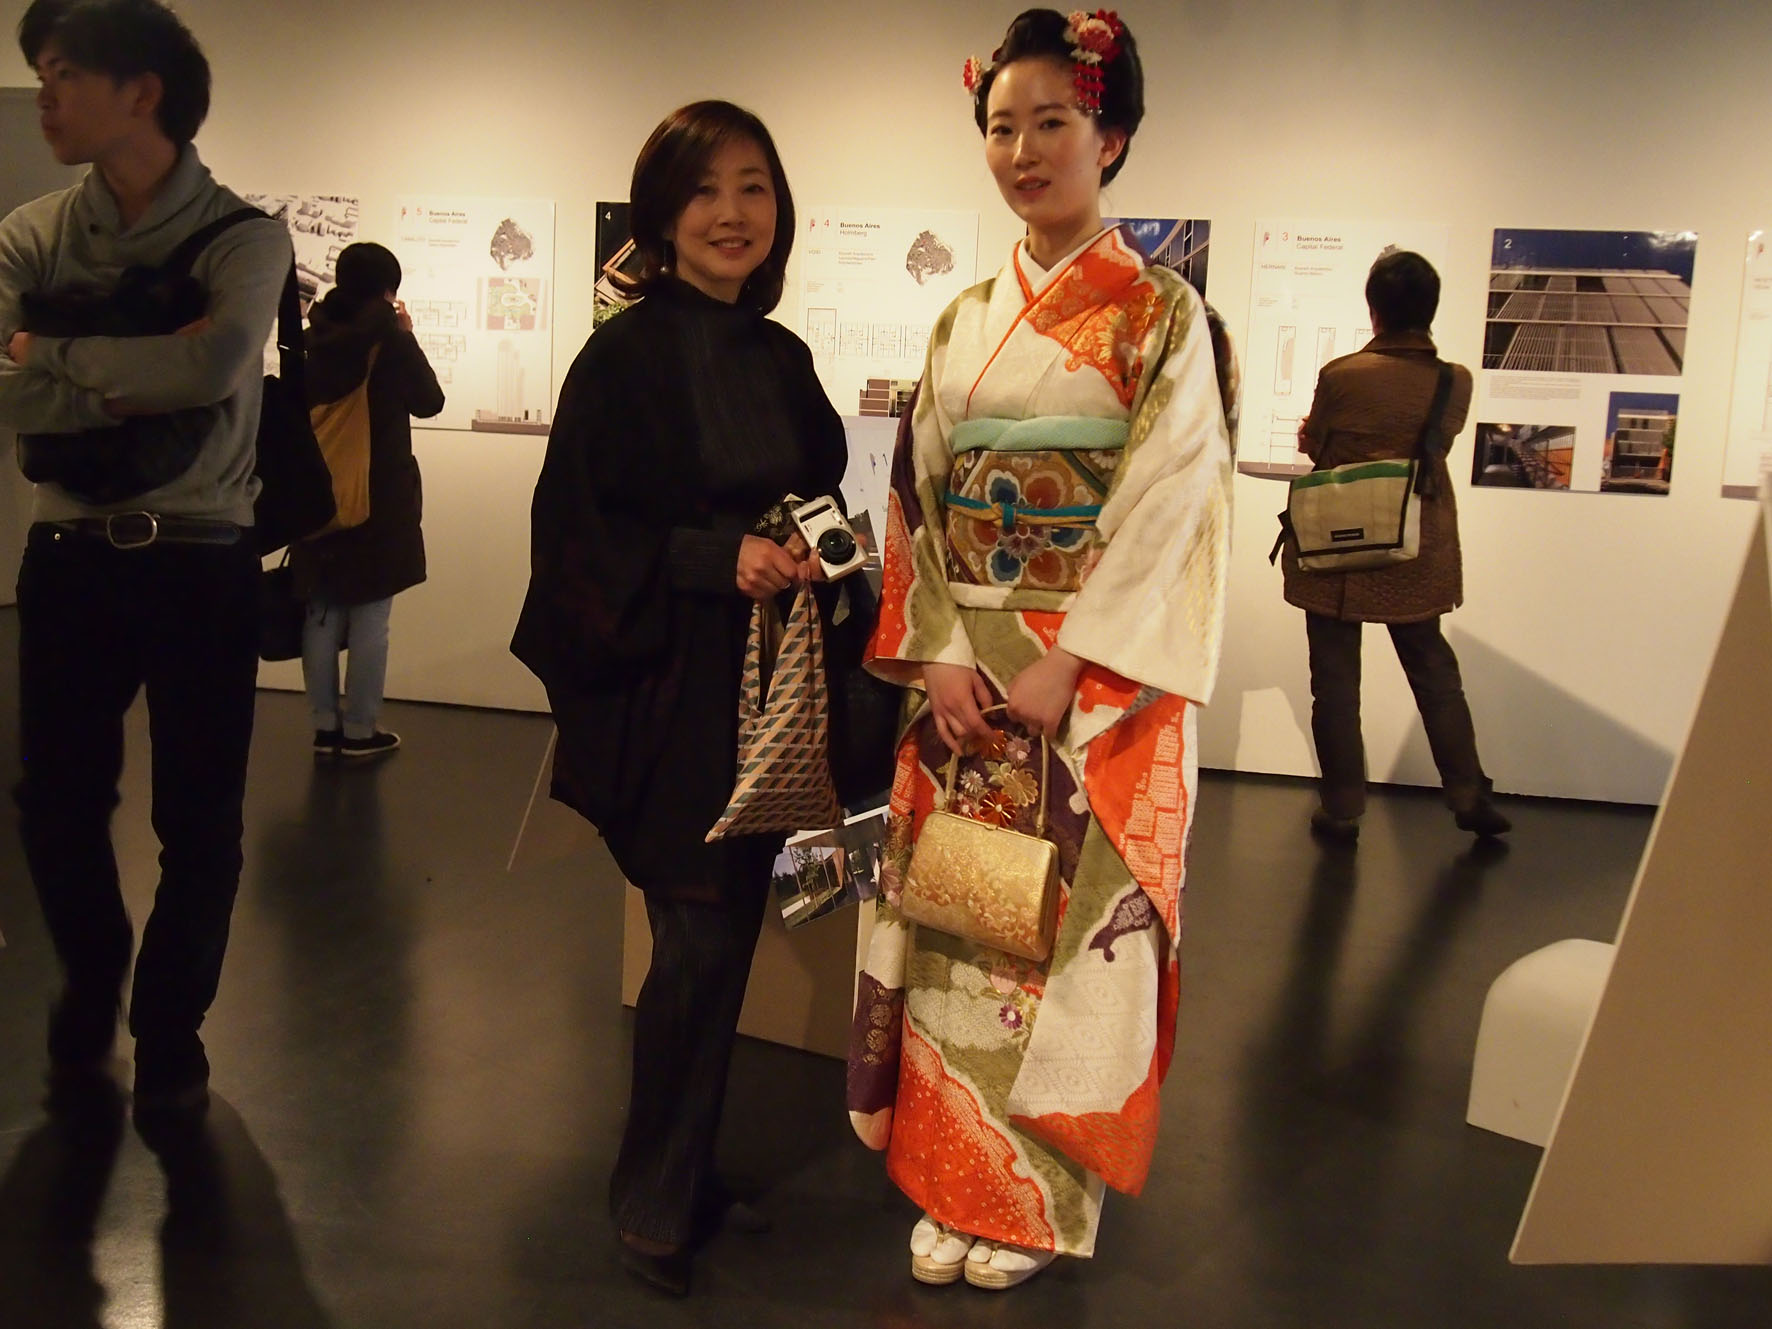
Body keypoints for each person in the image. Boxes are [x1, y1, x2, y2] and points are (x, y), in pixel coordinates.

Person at [847, 8, 1236, 1290]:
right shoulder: (962, 320)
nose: (1023, 151)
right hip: (968, 677)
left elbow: (1176, 501)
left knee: (1063, 944)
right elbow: (917, 493)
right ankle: (948, 1179)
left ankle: (1032, 1201)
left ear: (1107, 136)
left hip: (1084, 687)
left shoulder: (1160, 314)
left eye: (1051, 123)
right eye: (1002, 126)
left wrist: (1070, 662)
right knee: (962, 927)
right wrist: (937, 649)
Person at [510, 100, 847, 1297]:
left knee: (725, 938)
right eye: (704, 190)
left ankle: (684, 1169)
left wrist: (813, 549)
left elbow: (815, 491)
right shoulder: (622, 357)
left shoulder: (780, 358)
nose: (731, 213)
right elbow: (573, 538)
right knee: (697, 943)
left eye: (753, 187)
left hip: (771, 692)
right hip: (671, 695)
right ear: (660, 215)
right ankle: (650, 1204)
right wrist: (714, 559)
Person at [0, 0, 293, 1116]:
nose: (44, 97)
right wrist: (124, 374)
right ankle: (92, 970)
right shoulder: (31, 233)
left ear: (143, 92)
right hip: (68, 553)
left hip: (200, 559)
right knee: (55, 801)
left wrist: (43, 349)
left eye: (63, 73)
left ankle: (172, 1029)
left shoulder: (245, 238)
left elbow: (209, 369)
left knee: (201, 820)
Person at [1281, 250, 1511, 843]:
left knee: (1335, 684)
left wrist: (1315, 438)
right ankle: (1468, 794)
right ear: (1430, 308)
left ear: (1374, 309)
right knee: (1435, 673)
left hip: (1338, 544)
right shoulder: (1454, 380)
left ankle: (1342, 807)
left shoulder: (1342, 375)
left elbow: (1318, 444)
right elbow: (1437, 444)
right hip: (1415, 541)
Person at [293, 241, 445, 759]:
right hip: (379, 497)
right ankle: (360, 729)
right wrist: (406, 336)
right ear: (387, 290)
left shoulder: (312, 337)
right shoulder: (388, 341)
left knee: (321, 612)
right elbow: (429, 401)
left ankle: (323, 726)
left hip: (318, 490)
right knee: (371, 617)